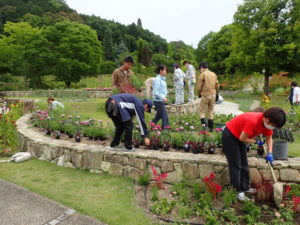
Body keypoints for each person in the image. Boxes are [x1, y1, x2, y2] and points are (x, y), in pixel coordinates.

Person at [222, 107, 286, 201]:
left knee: (244, 164)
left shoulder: (266, 125)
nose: (274, 127)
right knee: (236, 165)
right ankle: (237, 191)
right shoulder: (253, 121)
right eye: (274, 125)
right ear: (268, 120)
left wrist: (270, 153)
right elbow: (242, 138)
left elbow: (269, 138)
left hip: (240, 136)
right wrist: (255, 142)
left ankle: (245, 187)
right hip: (230, 135)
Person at [196, 62, 219, 132]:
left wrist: (199, 94)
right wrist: (217, 93)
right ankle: (211, 128)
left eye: (199, 68)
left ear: (202, 67)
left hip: (205, 95)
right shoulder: (213, 74)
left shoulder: (202, 75)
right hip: (213, 94)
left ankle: (204, 125)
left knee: (201, 110)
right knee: (210, 112)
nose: (200, 70)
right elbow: (217, 85)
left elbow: (199, 87)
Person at [152, 65, 170, 129]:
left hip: (160, 100)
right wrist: (163, 98)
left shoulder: (162, 79)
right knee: (164, 115)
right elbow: (156, 92)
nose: (166, 72)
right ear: (161, 71)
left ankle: (152, 125)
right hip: (158, 100)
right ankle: (164, 129)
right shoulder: (157, 80)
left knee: (159, 115)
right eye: (164, 70)